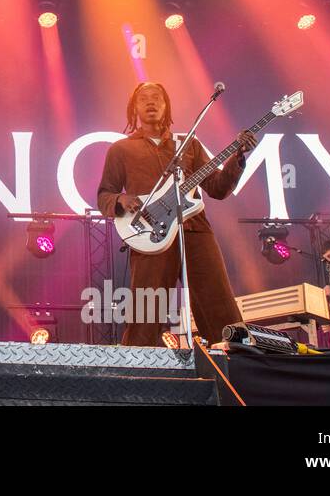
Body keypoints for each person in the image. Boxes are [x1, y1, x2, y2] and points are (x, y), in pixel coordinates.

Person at [96, 81, 257, 346]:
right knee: (147, 305)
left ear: (166, 105)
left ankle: (233, 359)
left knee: (216, 298)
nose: (150, 102)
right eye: (143, 98)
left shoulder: (188, 145)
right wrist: (121, 200)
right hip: (150, 233)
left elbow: (217, 188)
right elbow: (104, 195)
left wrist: (237, 157)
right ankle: (141, 365)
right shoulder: (121, 150)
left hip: (194, 229)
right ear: (134, 108)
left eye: (156, 97)